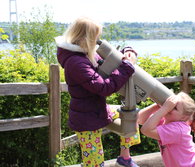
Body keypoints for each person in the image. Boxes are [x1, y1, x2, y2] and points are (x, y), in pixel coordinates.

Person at [55, 16, 140, 167]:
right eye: (96, 37)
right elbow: (104, 88)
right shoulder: (76, 62)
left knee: (131, 116)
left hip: (99, 110)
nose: (98, 40)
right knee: (95, 163)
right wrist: (127, 67)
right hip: (86, 118)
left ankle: (124, 158)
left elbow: (109, 60)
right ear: (86, 38)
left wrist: (127, 52)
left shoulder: (86, 53)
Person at [137, 92, 195, 167]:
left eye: (174, 107)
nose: (170, 108)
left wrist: (164, 109)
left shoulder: (178, 130)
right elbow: (139, 119)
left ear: (183, 117)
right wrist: (158, 105)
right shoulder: (165, 120)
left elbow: (146, 130)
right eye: (170, 104)